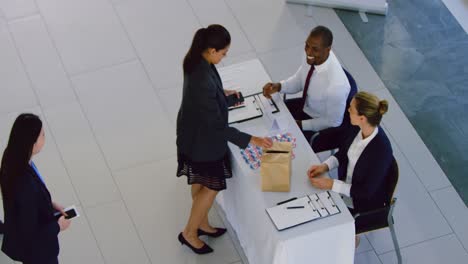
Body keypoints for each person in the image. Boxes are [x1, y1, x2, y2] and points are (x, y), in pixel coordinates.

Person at [176, 25, 272, 254]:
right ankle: (189, 233)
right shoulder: (201, 79)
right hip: (203, 142)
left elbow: (204, 101)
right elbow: (216, 125)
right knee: (210, 187)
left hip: (193, 134)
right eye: (223, 52)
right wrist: (252, 140)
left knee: (199, 182)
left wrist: (222, 96)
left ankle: (201, 222)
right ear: (211, 50)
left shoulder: (196, 61)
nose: (224, 56)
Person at [306, 91, 393, 246]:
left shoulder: (382, 150)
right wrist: (325, 165)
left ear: (362, 118)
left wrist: (331, 184)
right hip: (345, 188)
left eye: (351, 109)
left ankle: (350, 239)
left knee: (320, 231)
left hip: (363, 204)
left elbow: (365, 191)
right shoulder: (356, 128)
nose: (347, 110)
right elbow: (343, 153)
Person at [0, 113, 71, 264]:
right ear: (32, 142)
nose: (45, 138)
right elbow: (31, 233)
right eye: (42, 135)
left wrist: (49, 204)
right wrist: (58, 226)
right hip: (39, 256)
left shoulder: (12, 157)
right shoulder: (25, 184)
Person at [262, 26, 350, 141]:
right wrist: (279, 86)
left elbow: (333, 122)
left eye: (314, 49)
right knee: (266, 118)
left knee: (279, 145)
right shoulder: (311, 56)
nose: (308, 52)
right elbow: (300, 79)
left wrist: (302, 125)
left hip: (320, 125)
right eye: (307, 46)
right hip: (306, 106)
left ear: (328, 50)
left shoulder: (336, 87)